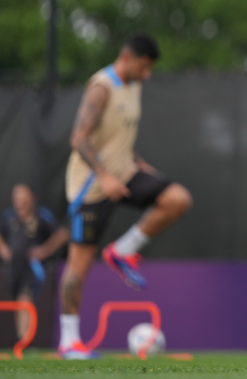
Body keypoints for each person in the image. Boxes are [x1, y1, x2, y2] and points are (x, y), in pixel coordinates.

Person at [58, 33, 193, 359]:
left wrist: (137, 162)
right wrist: (104, 175)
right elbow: (79, 138)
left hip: (125, 173)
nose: (148, 74)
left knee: (177, 199)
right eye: (144, 67)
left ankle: (122, 251)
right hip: (90, 187)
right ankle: (69, 341)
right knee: (79, 264)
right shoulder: (101, 88)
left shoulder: (135, 86)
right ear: (127, 58)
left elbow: (117, 135)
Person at [0, 184, 68, 342]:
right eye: (17, 200)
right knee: (18, 302)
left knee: (25, 299)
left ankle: (25, 340)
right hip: (13, 267)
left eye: (24, 200)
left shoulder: (41, 215)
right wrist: (4, 250)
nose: (20, 204)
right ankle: (21, 338)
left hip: (32, 268)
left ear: (31, 199)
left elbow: (63, 234)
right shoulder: (9, 216)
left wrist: (44, 250)